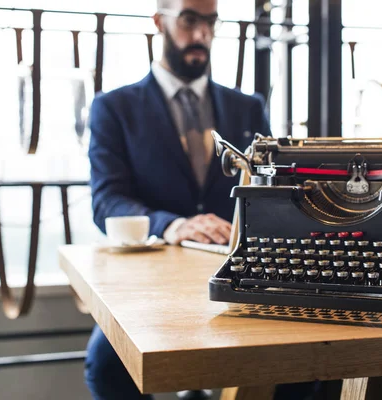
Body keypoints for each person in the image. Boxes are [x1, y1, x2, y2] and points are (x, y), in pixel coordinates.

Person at [85, 0, 318, 398]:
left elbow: (270, 191)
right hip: (149, 285)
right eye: (189, 20)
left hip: (240, 274)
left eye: (210, 22)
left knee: (311, 363)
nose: (201, 34)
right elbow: (107, 200)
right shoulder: (114, 108)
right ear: (159, 21)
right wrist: (174, 225)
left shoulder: (248, 108)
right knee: (107, 365)